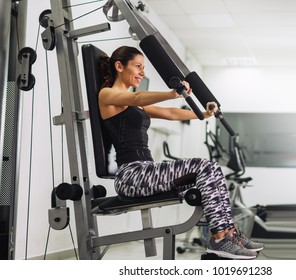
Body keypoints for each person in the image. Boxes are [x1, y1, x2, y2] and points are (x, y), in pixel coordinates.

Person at [98, 46, 263, 260]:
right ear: (119, 66)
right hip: (131, 176)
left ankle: (229, 234)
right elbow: (138, 97)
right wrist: (171, 93)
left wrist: (203, 113)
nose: (142, 72)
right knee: (204, 165)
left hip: (146, 173)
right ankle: (221, 239)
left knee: (211, 170)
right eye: (138, 67)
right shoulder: (107, 95)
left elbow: (170, 113)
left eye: (143, 68)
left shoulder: (132, 105)